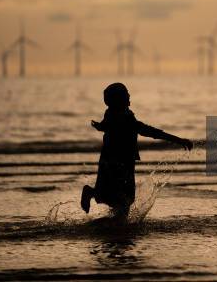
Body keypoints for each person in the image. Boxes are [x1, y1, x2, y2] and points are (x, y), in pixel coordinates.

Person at [81, 82, 193, 217]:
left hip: (110, 160)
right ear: (120, 99)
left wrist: (98, 126)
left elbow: (104, 126)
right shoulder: (126, 119)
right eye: (126, 94)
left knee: (112, 196)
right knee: (123, 201)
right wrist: (179, 140)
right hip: (121, 163)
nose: (129, 96)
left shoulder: (111, 114)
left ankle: (98, 203)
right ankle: (93, 196)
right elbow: (152, 132)